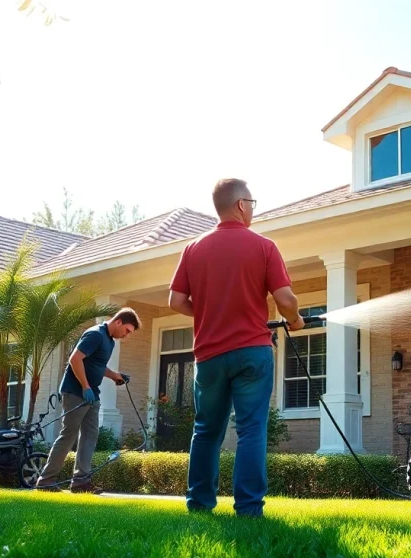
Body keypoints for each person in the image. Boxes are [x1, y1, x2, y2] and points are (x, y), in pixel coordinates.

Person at [168, 178, 305, 517]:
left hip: (209, 357)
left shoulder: (193, 248)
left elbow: (175, 301)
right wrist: (297, 319)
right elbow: (285, 299)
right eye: (252, 203)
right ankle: (248, 509)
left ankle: (199, 505)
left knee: (205, 430)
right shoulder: (263, 246)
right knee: (251, 429)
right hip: (251, 353)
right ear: (242, 205)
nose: (253, 209)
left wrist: (211, 310)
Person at [35, 308, 140, 494]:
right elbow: (75, 359)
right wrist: (85, 386)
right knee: (69, 435)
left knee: (90, 435)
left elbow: (98, 365)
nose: (126, 336)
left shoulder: (109, 341)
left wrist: (115, 375)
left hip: (92, 394)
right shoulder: (95, 334)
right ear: (118, 322)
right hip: (76, 392)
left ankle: (80, 482)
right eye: (127, 331)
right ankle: (46, 480)